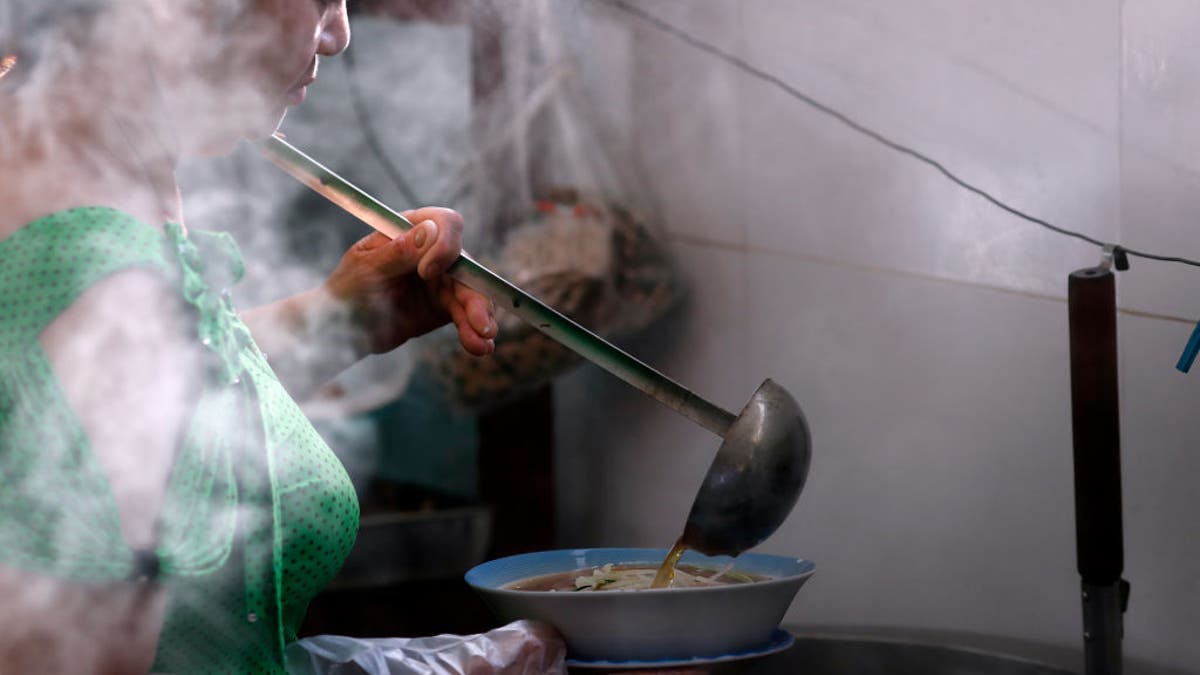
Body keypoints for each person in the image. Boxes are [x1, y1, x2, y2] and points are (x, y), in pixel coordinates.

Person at [0, 1, 565, 672]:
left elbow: (139, 412)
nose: (338, 33)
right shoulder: (89, 260)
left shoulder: (89, 162)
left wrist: (335, 320)